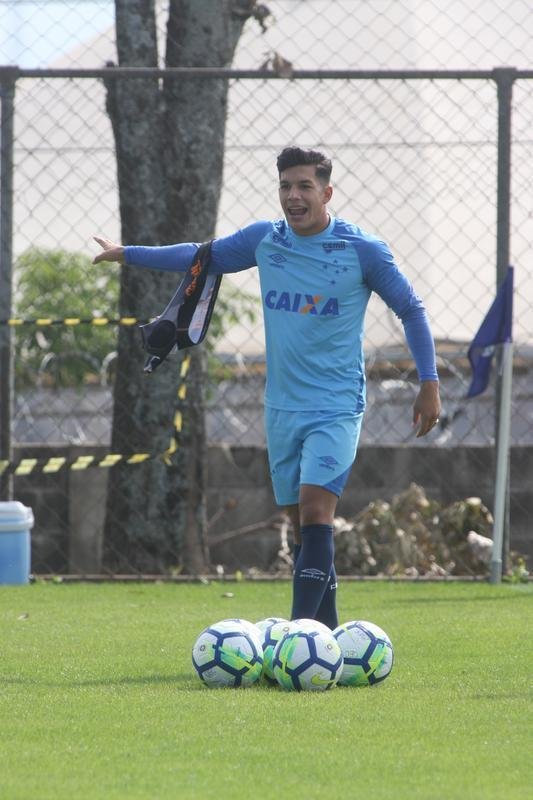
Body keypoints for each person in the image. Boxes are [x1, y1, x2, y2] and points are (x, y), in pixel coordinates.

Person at [93, 145, 441, 629]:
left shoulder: (361, 249)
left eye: (304, 186)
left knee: (318, 511)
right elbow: (198, 258)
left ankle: (297, 638)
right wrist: (127, 254)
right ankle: (328, 639)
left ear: (327, 192)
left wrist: (429, 381)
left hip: (336, 405)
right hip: (280, 408)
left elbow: (412, 309)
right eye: (285, 186)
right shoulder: (265, 240)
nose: (293, 196)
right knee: (301, 526)